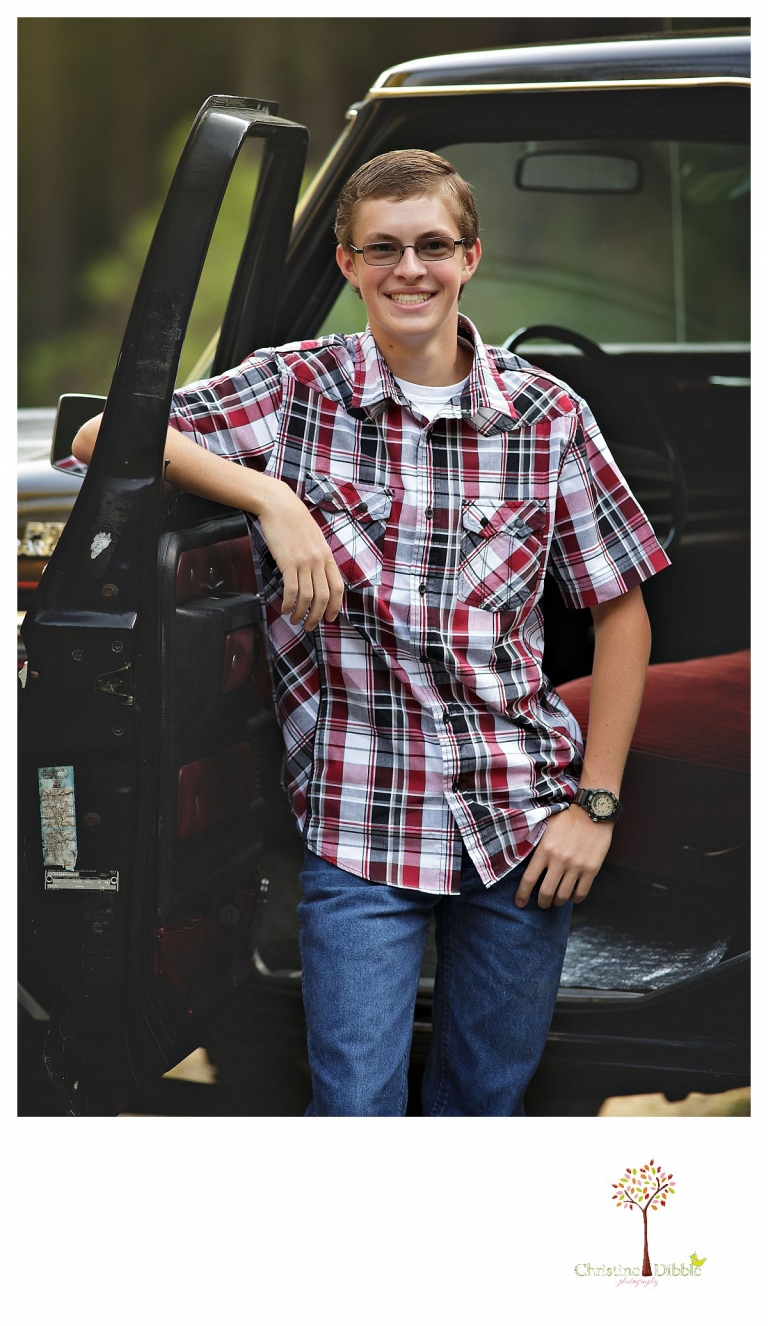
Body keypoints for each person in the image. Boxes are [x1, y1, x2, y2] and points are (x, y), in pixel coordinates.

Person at [73, 150, 670, 1116]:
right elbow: (105, 433)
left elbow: (621, 610)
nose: (410, 270)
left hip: (519, 821)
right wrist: (271, 498)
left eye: (433, 245)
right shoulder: (297, 392)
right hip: (360, 826)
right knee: (355, 1113)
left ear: (470, 256)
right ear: (348, 264)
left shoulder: (546, 416)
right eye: (382, 248)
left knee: (485, 1106)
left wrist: (593, 809)